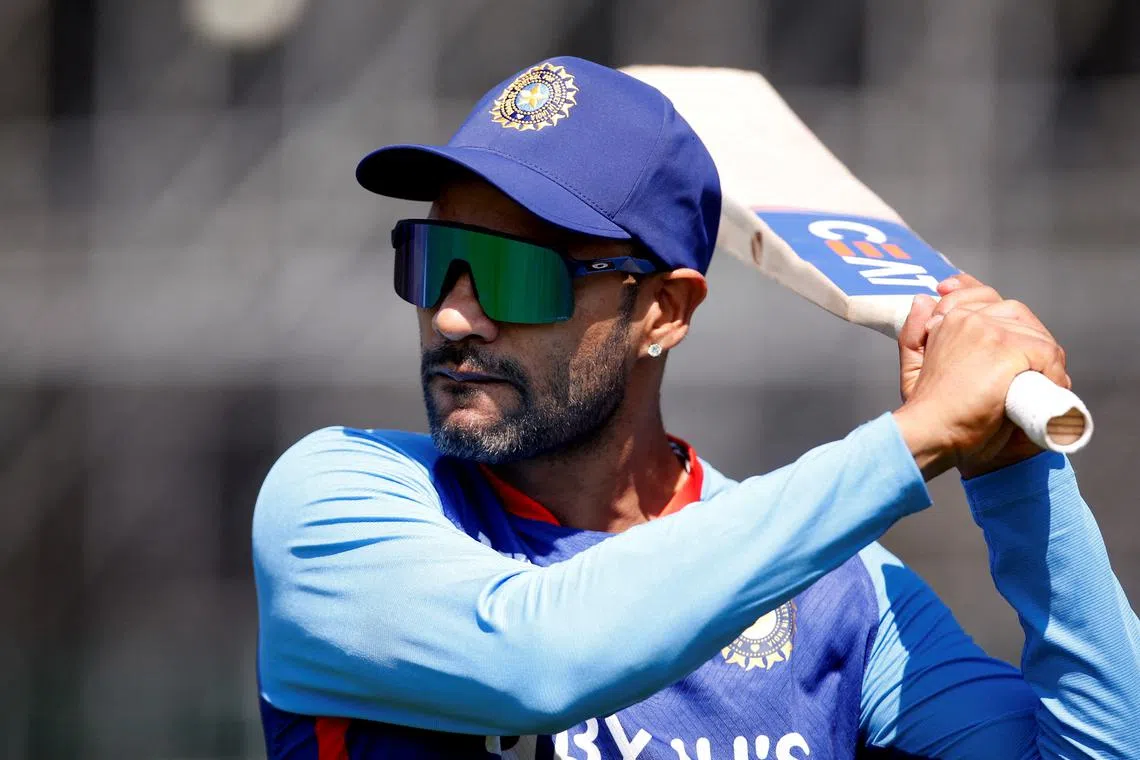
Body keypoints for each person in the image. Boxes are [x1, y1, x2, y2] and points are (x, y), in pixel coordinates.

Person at [252, 57, 1140, 759]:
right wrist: (920, 435)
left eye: (516, 274)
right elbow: (540, 658)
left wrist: (1015, 469)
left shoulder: (840, 588)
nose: (452, 314)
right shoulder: (338, 499)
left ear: (664, 315)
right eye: (432, 256)